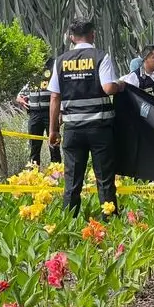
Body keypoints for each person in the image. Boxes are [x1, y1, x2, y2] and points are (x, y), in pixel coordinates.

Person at [48, 19, 125, 217]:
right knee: (104, 178)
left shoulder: (60, 61)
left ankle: (69, 222)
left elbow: (55, 97)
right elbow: (108, 88)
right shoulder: (100, 56)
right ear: (93, 35)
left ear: (71, 37)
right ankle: (109, 220)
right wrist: (120, 85)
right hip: (99, 128)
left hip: (73, 129)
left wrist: (53, 130)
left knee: (72, 179)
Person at [15, 57, 62, 166]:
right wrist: (20, 99)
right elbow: (21, 94)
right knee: (34, 148)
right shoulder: (32, 74)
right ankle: (34, 176)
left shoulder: (54, 68)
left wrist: (60, 112)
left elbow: (60, 93)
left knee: (54, 146)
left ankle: (56, 177)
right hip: (34, 114)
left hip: (50, 113)